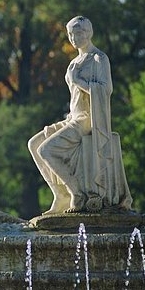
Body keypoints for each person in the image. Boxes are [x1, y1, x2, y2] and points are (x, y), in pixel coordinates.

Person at [28, 16, 132, 214]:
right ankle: (61, 195)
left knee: (46, 151)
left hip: (88, 120)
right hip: (72, 117)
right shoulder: (74, 62)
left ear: (89, 33)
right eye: (71, 34)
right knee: (34, 144)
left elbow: (105, 89)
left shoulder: (98, 58)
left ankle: (76, 192)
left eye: (79, 33)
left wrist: (77, 80)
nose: (74, 38)